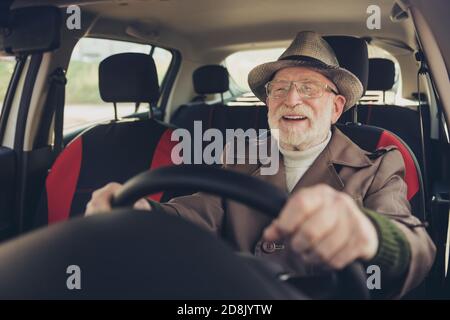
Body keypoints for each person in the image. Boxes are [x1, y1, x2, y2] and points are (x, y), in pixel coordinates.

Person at [85, 31, 435, 298]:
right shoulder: (238, 157)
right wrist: (144, 212)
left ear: (337, 107)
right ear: (268, 104)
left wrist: (369, 234)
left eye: (309, 88)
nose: (291, 99)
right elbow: (199, 210)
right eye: (279, 89)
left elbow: (416, 246)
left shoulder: (379, 164)